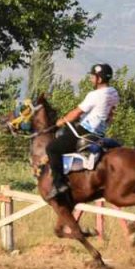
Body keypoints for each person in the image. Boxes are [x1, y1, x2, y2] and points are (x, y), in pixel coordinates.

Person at [45, 63, 120, 201]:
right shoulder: (114, 93)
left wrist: (59, 122)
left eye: (93, 76)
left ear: (99, 79)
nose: (91, 78)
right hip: (99, 133)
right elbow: (110, 114)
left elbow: (77, 112)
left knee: (52, 148)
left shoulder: (95, 95)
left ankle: (59, 184)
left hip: (84, 130)